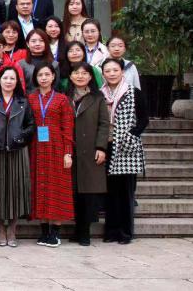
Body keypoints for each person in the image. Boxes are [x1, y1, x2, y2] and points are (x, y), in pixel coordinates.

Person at [27, 62, 76, 250]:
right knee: (39, 186)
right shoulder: (30, 98)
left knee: (56, 188)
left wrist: (67, 152)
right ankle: (44, 230)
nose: (44, 78)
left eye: (47, 74)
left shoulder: (62, 99)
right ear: (36, 78)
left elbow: (68, 128)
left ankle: (55, 232)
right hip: (35, 148)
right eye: (40, 75)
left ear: (53, 76)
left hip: (56, 147)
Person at [0, 66, 35, 247]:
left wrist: (21, 137)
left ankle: (12, 230)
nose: (8, 81)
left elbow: (31, 124)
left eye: (12, 78)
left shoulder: (23, 101)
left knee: (16, 189)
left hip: (17, 150)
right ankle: (0, 230)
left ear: (17, 82)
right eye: (5, 78)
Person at [101, 58, 148, 244]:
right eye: (108, 71)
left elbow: (143, 119)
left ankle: (125, 232)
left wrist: (131, 135)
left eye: (115, 70)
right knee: (110, 191)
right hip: (107, 144)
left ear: (122, 71)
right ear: (103, 74)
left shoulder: (133, 92)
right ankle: (111, 231)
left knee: (126, 191)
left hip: (126, 147)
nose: (111, 73)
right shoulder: (100, 94)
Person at [69, 62, 110, 246]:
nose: (80, 76)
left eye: (84, 73)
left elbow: (104, 124)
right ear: (70, 76)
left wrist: (101, 147)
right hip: (71, 150)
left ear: (91, 77)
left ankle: (85, 232)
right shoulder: (65, 97)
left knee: (88, 193)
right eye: (76, 73)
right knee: (74, 192)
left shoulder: (98, 98)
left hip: (91, 150)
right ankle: (77, 230)